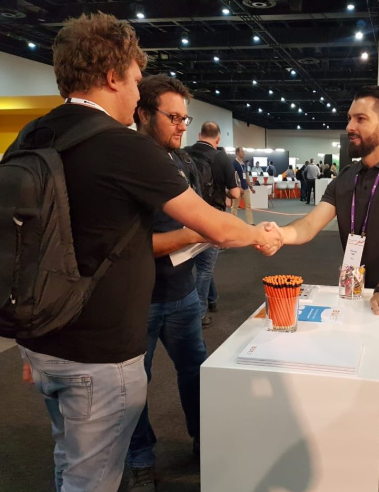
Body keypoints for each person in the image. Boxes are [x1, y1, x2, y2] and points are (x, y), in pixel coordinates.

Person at [8, 13, 282, 492]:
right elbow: (214, 225)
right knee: (92, 478)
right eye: (136, 80)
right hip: (99, 353)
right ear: (112, 76)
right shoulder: (120, 145)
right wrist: (261, 233)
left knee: (67, 457)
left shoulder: (32, 135)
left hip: (42, 336)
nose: (137, 94)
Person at [266, 85, 379, 472]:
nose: (349, 125)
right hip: (356, 297)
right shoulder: (346, 177)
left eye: (360, 119)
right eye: (349, 117)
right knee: (374, 376)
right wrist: (279, 235)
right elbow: (310, 225)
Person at [127, 74, 208, 491]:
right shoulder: (126, 161)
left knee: (196, 372)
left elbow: (197, 216)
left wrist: (203, 235)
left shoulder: (183, 162)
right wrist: (194, 235)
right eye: (172, 117)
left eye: (184, 118)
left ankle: (204, 439)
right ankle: (140, 458)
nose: (181, 126)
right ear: (143, 113)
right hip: (136, 300)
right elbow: (126, 245)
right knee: (133, 388)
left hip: (182, 293)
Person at [185, 121, 240, 326]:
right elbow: (235, 193)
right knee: (205, 267)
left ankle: (212, 298)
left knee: (198, 262)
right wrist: (224, 192)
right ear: (218, 139)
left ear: (199, 134)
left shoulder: (184, 153)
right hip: (212, 216)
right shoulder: (221, 158)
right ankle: (199, 312)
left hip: (187, 214)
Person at [231, 147, 256, 224]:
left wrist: (251, 187)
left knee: (248, 205)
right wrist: (239, 187)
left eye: (243, 151)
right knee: (235, 206)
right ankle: (233, 223)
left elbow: (246, 176)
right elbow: (234, 176)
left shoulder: (244, 164)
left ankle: (250, 223)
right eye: (242, 151)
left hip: (245, 188)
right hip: (237, 188)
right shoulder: (234, 163)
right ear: (237, 153)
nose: (243, 153)